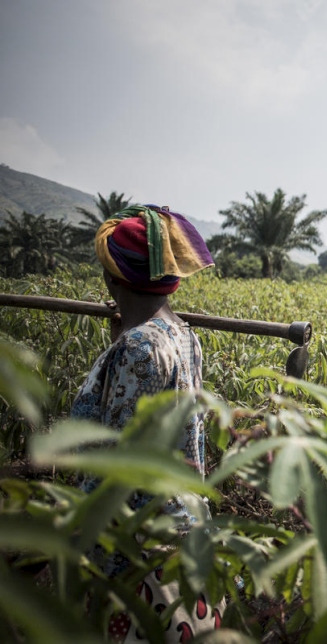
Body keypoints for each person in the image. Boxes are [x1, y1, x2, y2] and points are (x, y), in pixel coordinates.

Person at [70, 204, 219, 642]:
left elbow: (116, 468)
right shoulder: (182, 335)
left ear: (112, 278)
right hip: (184, 528)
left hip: (135, 550)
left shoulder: (137, 348)